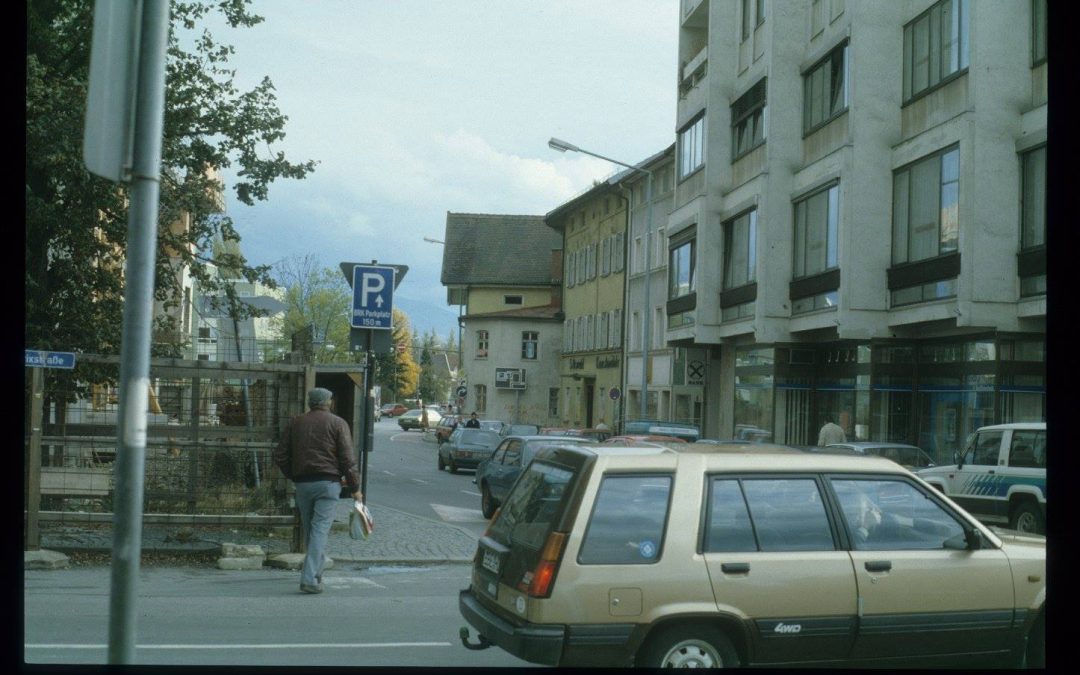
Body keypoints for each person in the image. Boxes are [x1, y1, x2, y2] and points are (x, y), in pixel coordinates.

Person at [273, 388, 361, 595]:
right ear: (328, 402)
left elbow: (281, 455)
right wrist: (355, 487)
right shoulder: (338, 423)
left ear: (310, 402)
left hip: (303, 484)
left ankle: (315, 573)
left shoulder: (295, 422)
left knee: (312, 531)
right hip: (329, 484)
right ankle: (310, 579)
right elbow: (348, 460)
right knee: (320, 530)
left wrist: (294, 475)